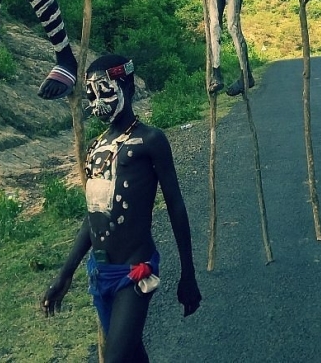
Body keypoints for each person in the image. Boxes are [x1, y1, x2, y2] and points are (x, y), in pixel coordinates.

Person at [43, 55, 202, 362]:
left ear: (126, 86)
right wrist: (65, 275)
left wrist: (188, 274)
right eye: (91, 93)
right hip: (100, 273)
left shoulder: (151, 140)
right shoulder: (96, 148)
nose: (97, 101)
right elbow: (93, 218)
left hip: (135, 271)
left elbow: (176, 207)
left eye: (105, 90)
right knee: (130, 355)